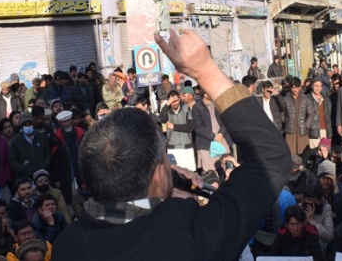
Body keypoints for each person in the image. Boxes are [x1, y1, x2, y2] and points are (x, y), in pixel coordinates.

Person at [52, 28, 292, 260]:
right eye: (165, 161)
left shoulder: (66, 245)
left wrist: (163, 185)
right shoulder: (189, 236)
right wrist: (206, 71)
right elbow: (271, 155)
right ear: (158, 174)